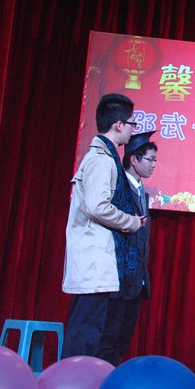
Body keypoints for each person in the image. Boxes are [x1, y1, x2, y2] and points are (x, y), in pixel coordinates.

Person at [62, 93, 147, 364]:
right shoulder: (101, 159)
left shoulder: (106, 157)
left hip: (99, 260)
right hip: (94, 259)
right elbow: (98, 207)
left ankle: (80, 380)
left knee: (92, 331)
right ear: (118, 124)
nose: (133, 129)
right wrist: (130, 221)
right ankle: (73, 382)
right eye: (131, 123)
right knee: (85, 333)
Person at [110, 130, 158, 363]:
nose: (153, 165)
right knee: (109, 337)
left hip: (136, 279)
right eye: (150, 159)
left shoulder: (141, 192)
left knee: (122, 339)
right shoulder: (118, 188)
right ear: (134, 159)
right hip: (118, 278)